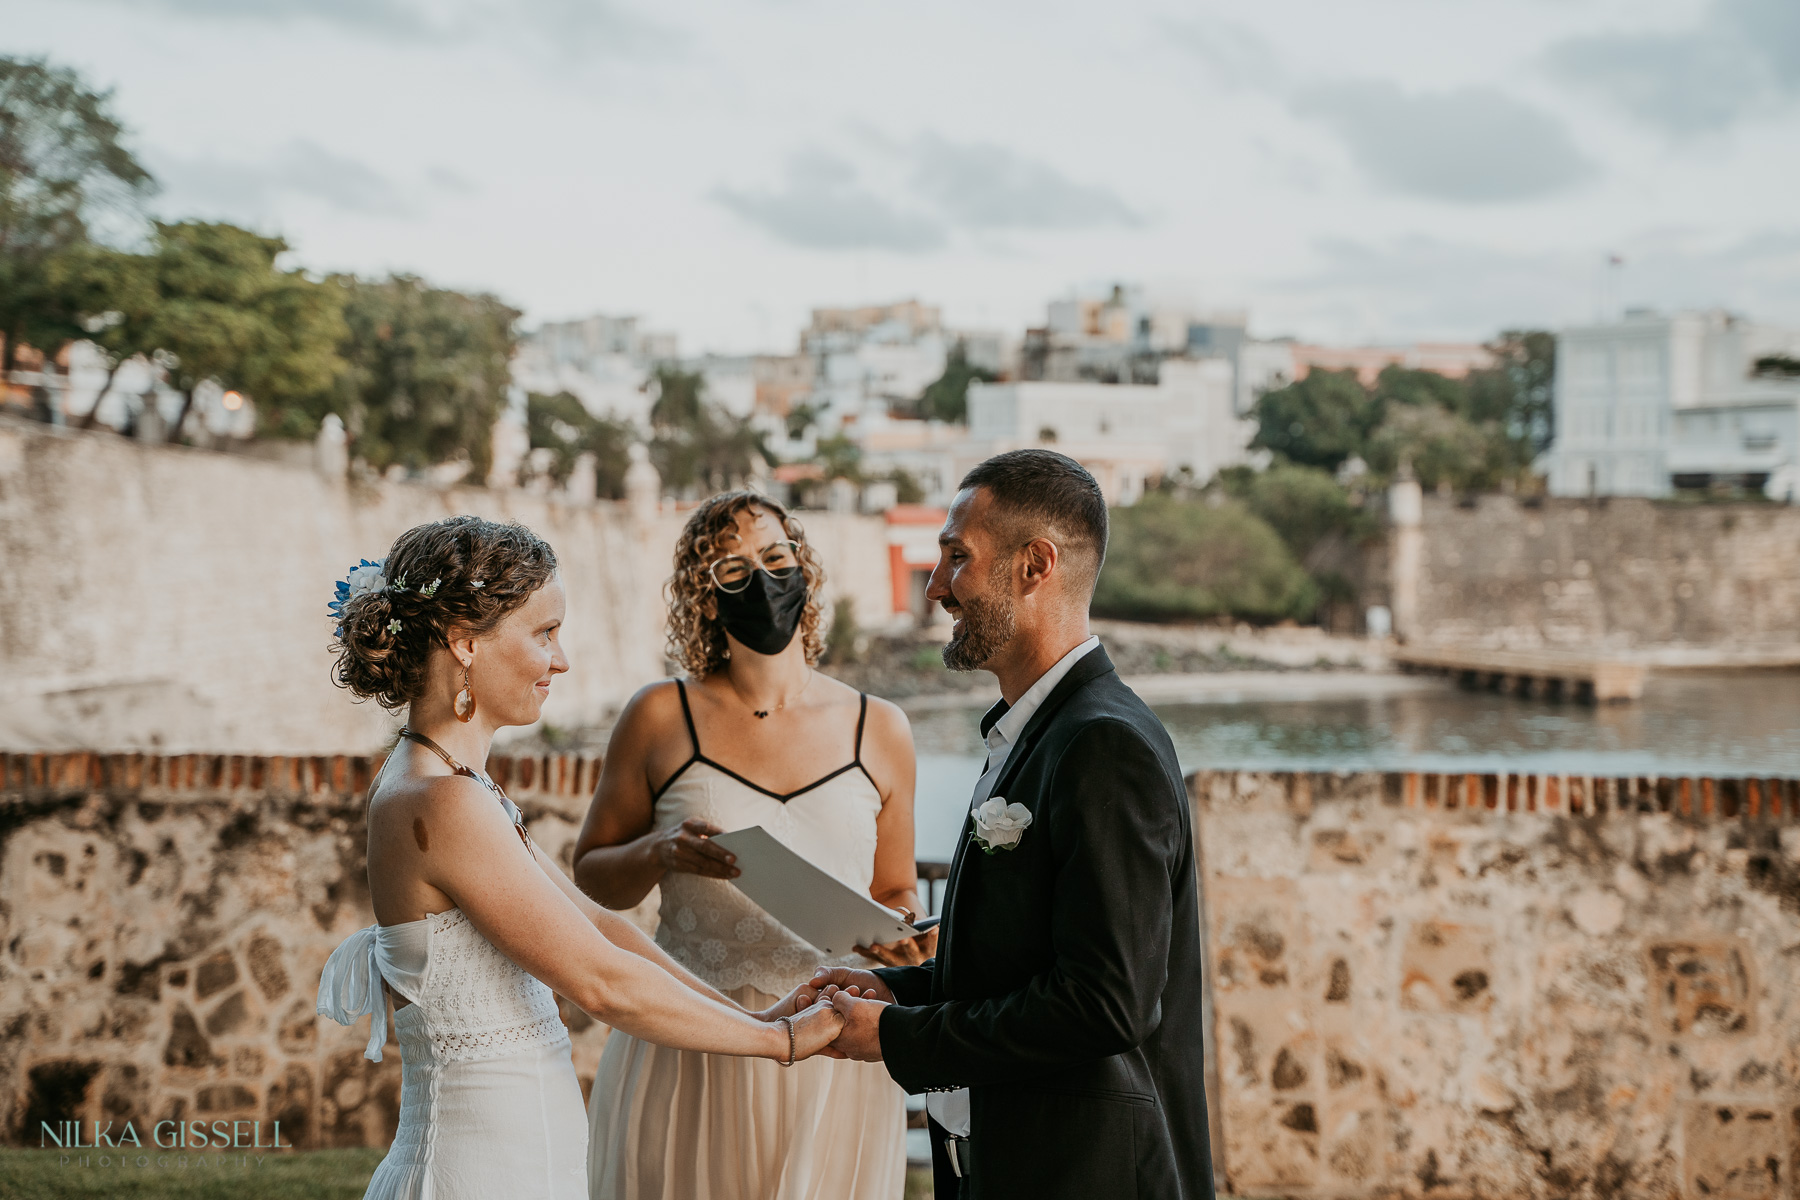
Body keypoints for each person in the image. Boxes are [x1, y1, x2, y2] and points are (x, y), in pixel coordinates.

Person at [314, 515, 843, 1200]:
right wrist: (784, 1045)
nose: (561, 661)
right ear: (464, 642)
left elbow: (602, 927)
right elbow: (600, 981)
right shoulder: (438, 800)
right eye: (545, 634)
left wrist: (758, 1018)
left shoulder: (459, 784)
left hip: (523, 1161)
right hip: (474, 1173)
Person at [799, 451, 1217, 1198]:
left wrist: (899, 1040)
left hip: (1086, 1174)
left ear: (1035, 565)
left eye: (957, 558)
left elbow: (1104, 1003)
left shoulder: (1104, 745)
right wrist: (902, 991)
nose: (935, 587)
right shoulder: (1037, 733)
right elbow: (1028, 965)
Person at [573, 490, 929, 1200]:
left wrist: (898, 938)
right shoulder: (657, 716)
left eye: (774, 558)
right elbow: (590, 879)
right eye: (733, 571)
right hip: (692, 1035)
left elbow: (894, 888)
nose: (762, 582)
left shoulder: (879, 727)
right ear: (705, 600)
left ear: (804, 570)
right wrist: (659, 851)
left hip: (833, 1037)